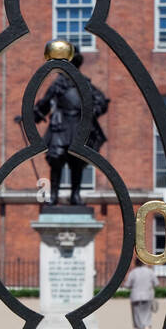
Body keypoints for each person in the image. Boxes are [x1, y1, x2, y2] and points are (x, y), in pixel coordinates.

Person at [33, 39, 110, 205]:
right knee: (56, 159)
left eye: (73, 63)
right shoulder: (58, 84)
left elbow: (101, 101)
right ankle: (54, 195)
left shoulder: (85, 84)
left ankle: (76, 195)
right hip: (60, 126)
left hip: (78, 126)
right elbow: (44, 103)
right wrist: (31, 117)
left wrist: (92, 112)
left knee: (77, 161)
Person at [124, 260, 156, 329]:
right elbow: (156, 283)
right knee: (147, 317)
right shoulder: (150, 272)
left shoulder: (133, 272)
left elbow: (127, 285)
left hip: (136, 297)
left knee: (137, 317)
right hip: (147, 296)